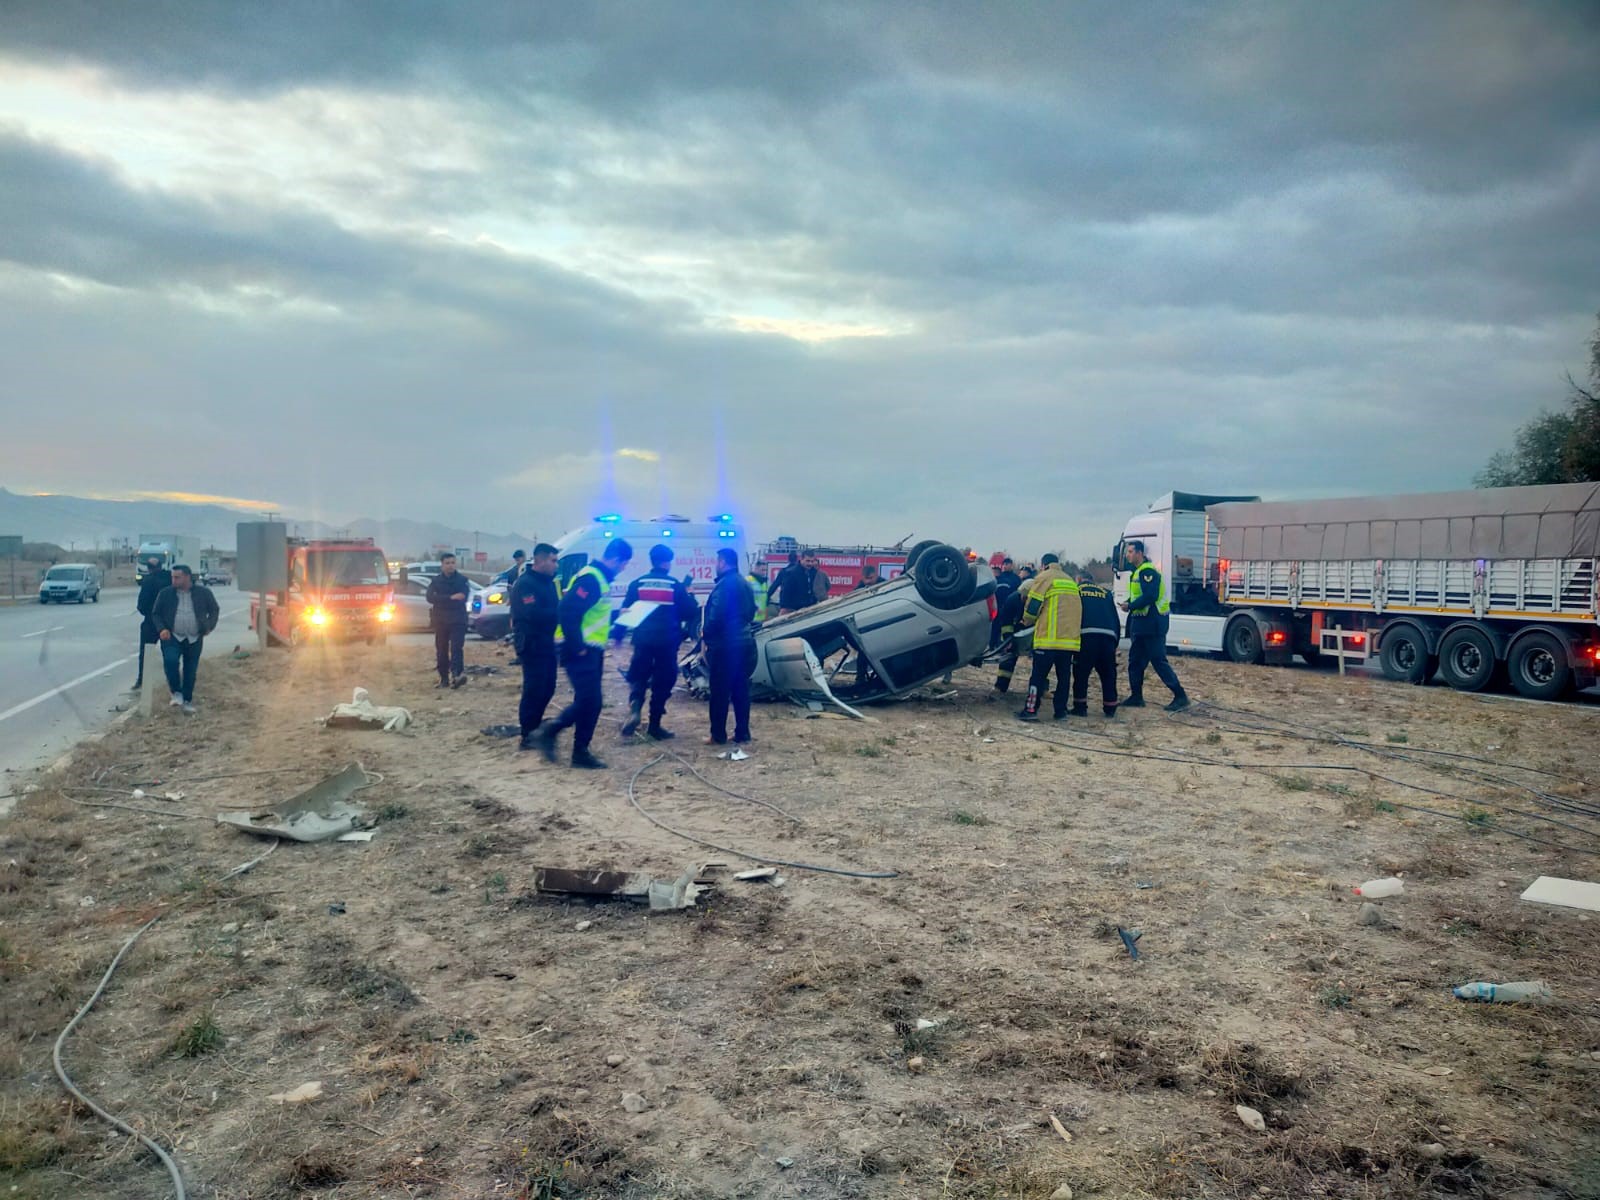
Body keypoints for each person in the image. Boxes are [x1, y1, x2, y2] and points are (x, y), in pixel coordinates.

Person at [532, 539, 633, 769]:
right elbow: (567, 610)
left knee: (591, 702)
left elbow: (592, 612)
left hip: (591, 648)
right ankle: (550, 731)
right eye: (624, 564)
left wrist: (619, 613)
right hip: (578, 648)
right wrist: (577, 646)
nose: (623, 569)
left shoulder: (599, 578)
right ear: (616, 559)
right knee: (590, 700)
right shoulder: (591, 577)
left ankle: (580, 752)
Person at [619, 544, 700, 739]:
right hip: (666, 641)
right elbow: (690, 612)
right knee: (663, 681)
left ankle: (635, 706)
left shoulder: (637, 584)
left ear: (652, 560)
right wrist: (688, 593)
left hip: (643, 639)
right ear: (667, 562)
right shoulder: (674, 585)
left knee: (639, 674)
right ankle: (654, 725)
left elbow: (626, 613)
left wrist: (619, 636)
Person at [1120, 540, 1190, 712]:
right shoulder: (1138, 572)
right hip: (1142, 624)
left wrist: (1131, 606)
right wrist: (1129, 602)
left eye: (1130, 551)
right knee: (1135, 661)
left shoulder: (1147, 571)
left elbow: (1150, 596)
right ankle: (1136, 696)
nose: (1127, 555)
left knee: (1158, 660)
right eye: (1127, 552)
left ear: (1139, 553)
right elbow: (1140, 595)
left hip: (1152, 623)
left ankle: (1180, 696)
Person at [1017, 554, 1080, 721]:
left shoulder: (1044, 577)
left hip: (1048, 640)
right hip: (1068, 642)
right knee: (1064, 678)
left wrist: (1026, 621)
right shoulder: (1070, 581)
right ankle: (1061, 712)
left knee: (1038, 677)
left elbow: (1033, 605)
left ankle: (1030, 711)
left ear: (1043, 564)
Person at [703, 547, 756, 745]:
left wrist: (705, 634)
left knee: (719, 693)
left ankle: (718, 735)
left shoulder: (724, 586)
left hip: (725, 646)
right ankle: (742, 733)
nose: (716, 565)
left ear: (723, 562)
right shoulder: (745, 583)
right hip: (744, 643)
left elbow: (715, 616)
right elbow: (751, 612)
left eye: (717, 561)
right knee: (741, 690)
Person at [511, 544, 561, 750]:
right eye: (553, 561)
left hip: (547, 642)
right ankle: (527, 734)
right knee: (534, 689)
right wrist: (560, 613)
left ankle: (536, 724)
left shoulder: (548, 583)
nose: (556, 565)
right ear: (539, 561)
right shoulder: (526, 584)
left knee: (548, 687)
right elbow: (532, 614)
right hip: (531, 643)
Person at [150, 565, 219, 714]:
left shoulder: (203, 593)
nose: (173, 580)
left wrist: (209, 626)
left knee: (190, 670)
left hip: (194, 637)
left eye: (177, 577)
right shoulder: (166, 594)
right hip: (172, 636)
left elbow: (214, 609)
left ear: (187, 577)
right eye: (172, 577)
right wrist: (162, 629)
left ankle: (187, 700)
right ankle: (176, 692)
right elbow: (155, 613)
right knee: (171, 661)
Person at [1071, 573, 1120, 717]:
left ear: (1078, 579)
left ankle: (1080, 707)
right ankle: (1110, 707)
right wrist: (1115, 640)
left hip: (1086, 635)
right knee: (1108, 673)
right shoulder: (1106, 593)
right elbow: (1114, 617)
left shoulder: (1077, 590)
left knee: (1081, 673)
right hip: (1108, 637)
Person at [426, 553, 472, 688]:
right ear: (442, 565)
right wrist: (451, 598)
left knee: (457, 648)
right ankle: (444, 679)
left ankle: (457, 675)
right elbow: (430, 597)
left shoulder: (462, 580)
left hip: (458, 620)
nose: (450, 565)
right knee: (441, 650)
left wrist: (441, 598)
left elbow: (463, 597)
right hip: (440, 620)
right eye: (447, 563)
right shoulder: (435, 581)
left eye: (452, 562)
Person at [132, 555, 171, 690]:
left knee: (146, 653)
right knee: (169, 653)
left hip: (150, 623)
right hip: (168, 624)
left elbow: (141, 605)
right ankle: (171, 681)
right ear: (161, 566)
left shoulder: (148, 581)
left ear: (149, 569)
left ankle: (142, 680)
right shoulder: (170, 579)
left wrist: (149, 614)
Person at [991, 578, 1026, 695]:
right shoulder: (1012, 600)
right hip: (1013, 628)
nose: (1024, 600)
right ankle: (1000, 686)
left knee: (1041, 662)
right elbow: (1005, 622)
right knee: (1007, 659)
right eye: (1023, 597)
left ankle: (1041, 689)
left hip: (1032, 632)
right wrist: (1008, 639)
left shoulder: (1037, 601)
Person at [774, 551, 809, 615]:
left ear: (788, 559)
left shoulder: (784, 571)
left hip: (788, 607)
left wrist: (767, 599)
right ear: (797, 559)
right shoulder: (803, 572)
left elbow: (774, 586)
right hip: (802, 606)